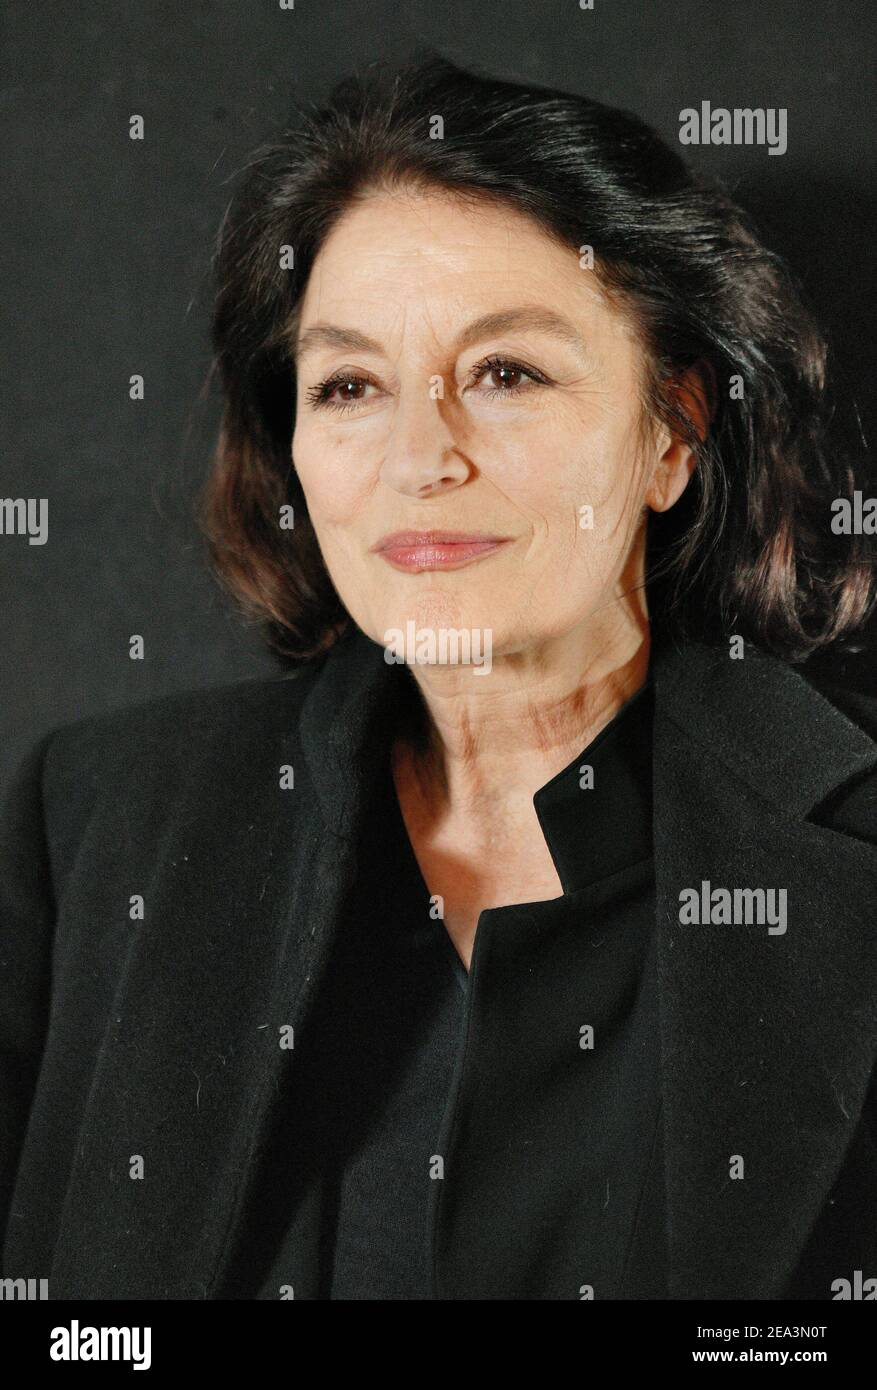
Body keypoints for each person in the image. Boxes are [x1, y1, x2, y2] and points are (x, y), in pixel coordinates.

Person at [2, 52, 876, 1302]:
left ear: (671, 432)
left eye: (505, 373)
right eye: (349, 385)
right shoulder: (94, 826)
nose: (419, 457)